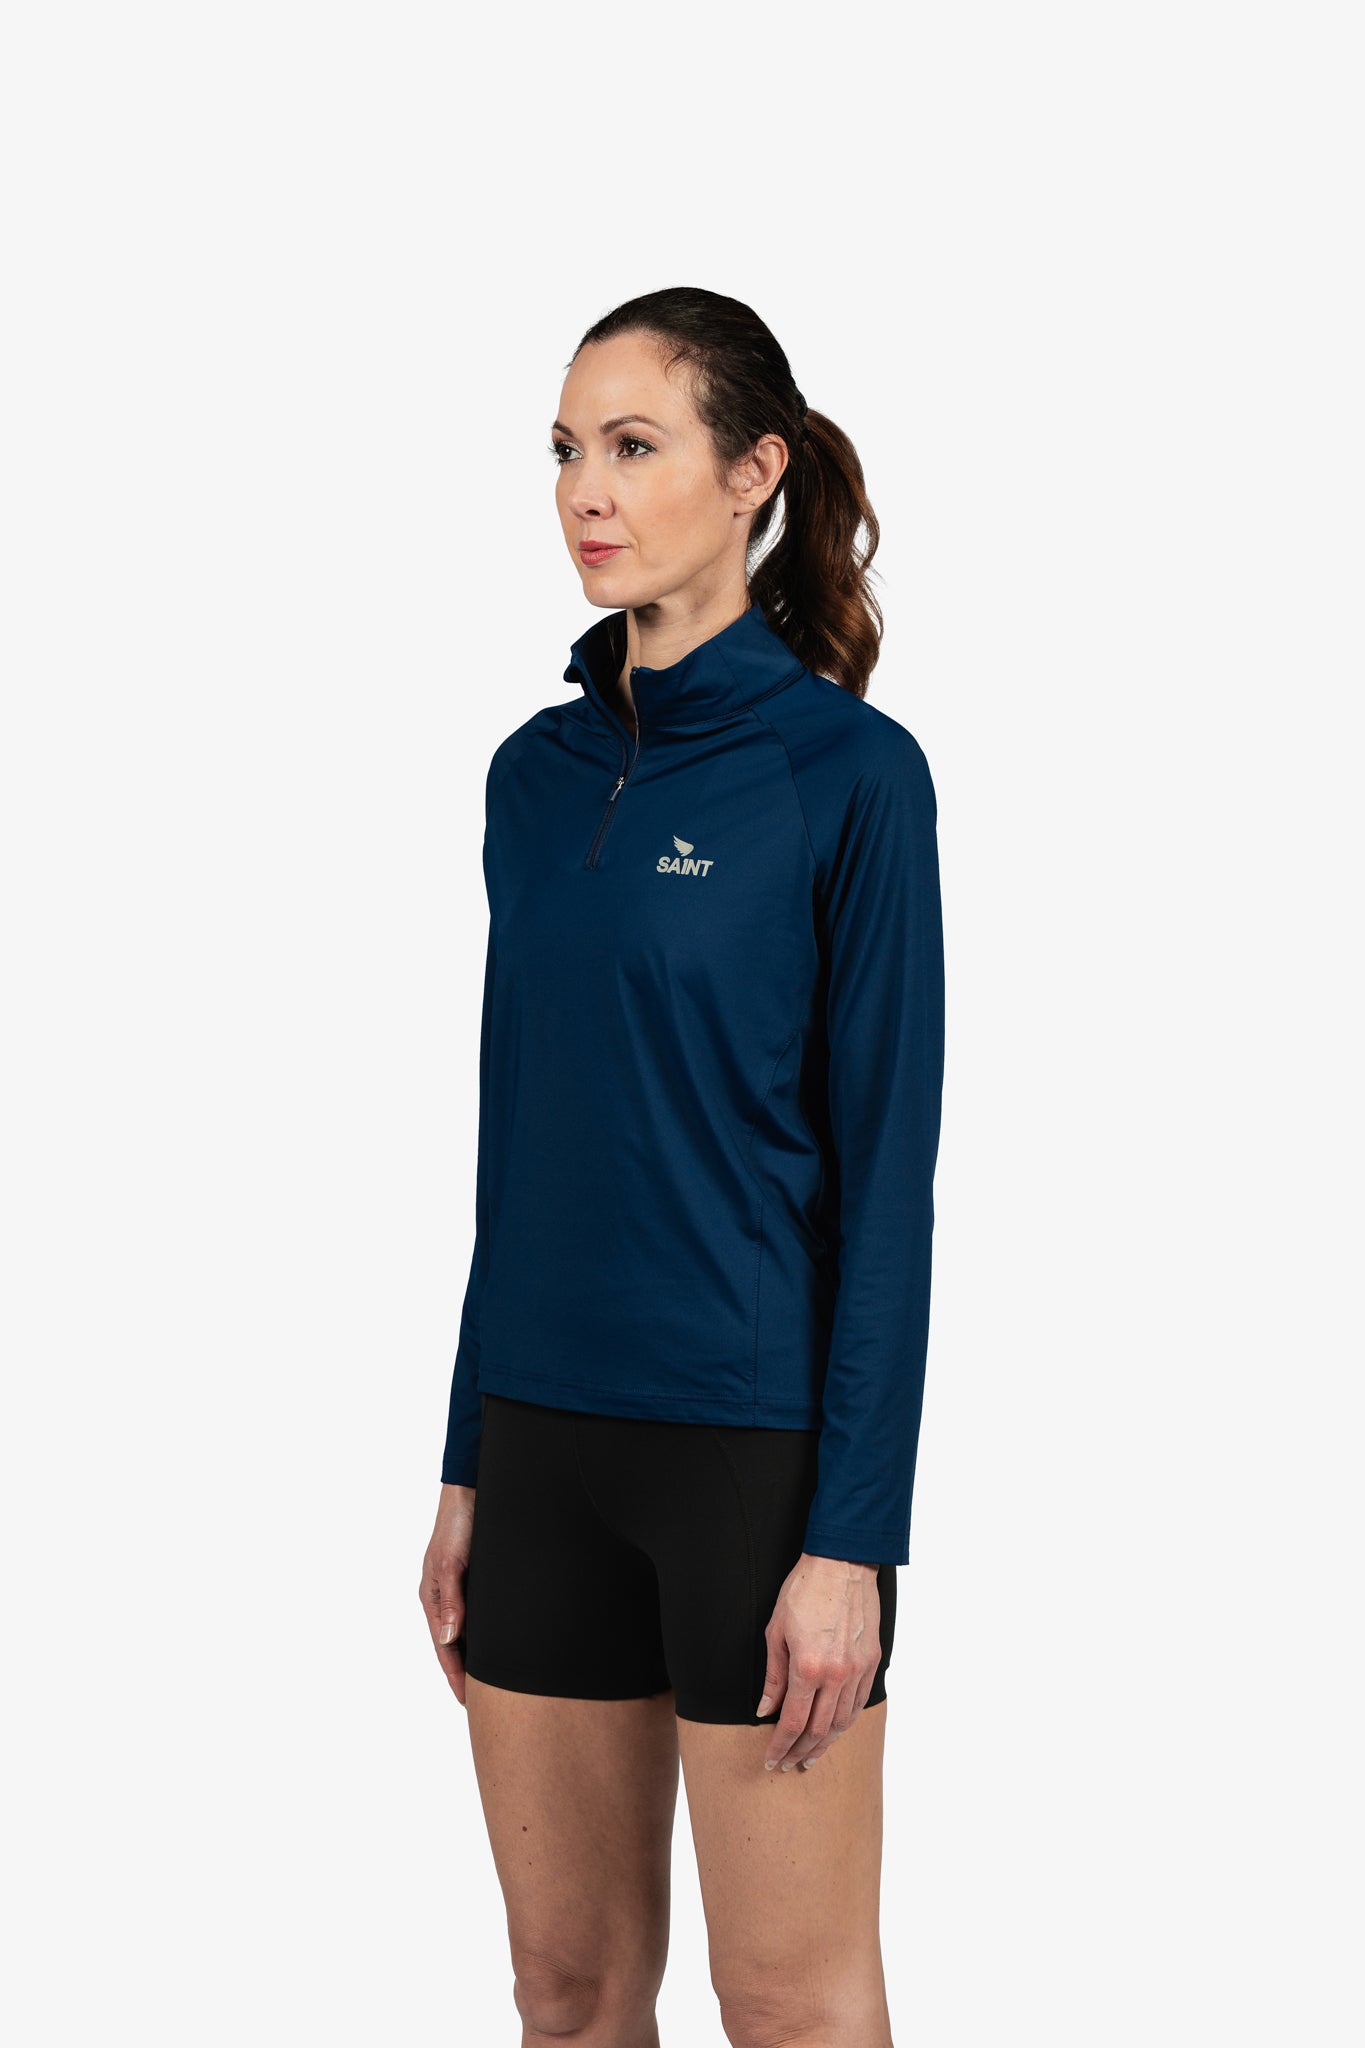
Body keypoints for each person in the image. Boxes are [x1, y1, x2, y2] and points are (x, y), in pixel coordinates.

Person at [419, 285, 945, 2048]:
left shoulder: (848, 779)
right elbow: (516, 1141)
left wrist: (852, 1540)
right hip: (542, 1445)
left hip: (749, 1466)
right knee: (564, 1997)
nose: (587, 489)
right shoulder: (530, 776)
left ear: (752, 472)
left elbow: (888, 1184)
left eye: (634, 446)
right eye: (567, 449)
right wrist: (467, 1464)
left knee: (788, 2003)